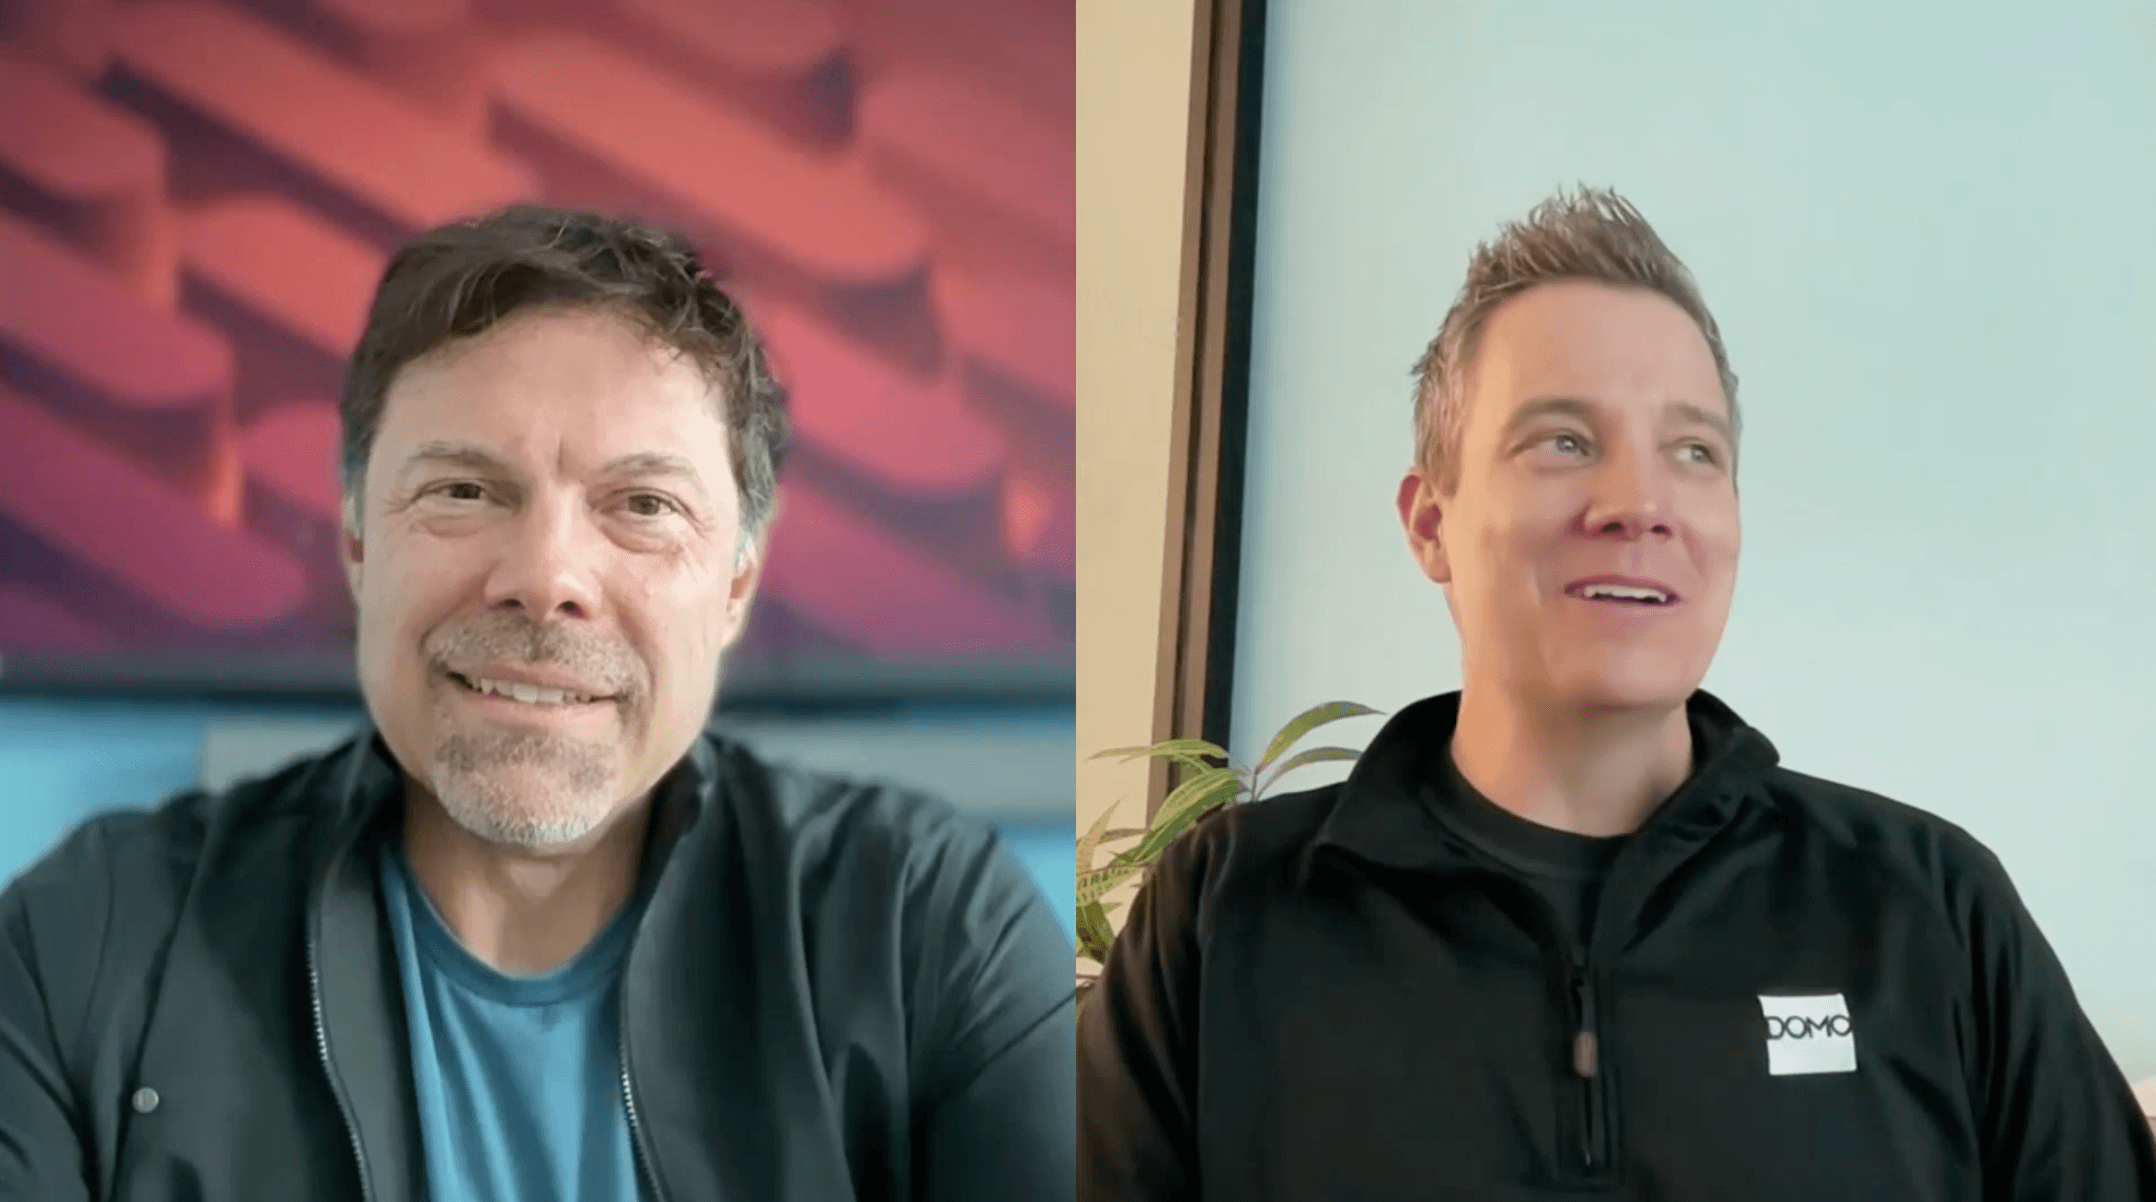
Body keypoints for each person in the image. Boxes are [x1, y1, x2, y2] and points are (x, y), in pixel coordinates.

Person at [1076, 187, 2156, 1199]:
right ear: (1427, 522)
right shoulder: (1225, 920)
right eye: (1563, 440)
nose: (1637, 502)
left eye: (1692, 450)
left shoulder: (1926, 909)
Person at [0, 205, 1075, 1202]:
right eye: (463, 490)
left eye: (642, 504)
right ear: (359, 543)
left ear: (736, 583)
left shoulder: (926, 928)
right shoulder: (90, 939)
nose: (545, 573)